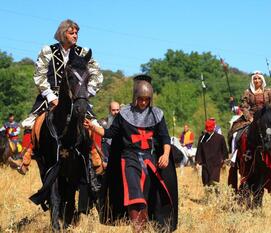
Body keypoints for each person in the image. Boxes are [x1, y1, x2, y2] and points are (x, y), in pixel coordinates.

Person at [84, 75, 178, 231]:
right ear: (135, 97)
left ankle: (148, 225)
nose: (143, 102)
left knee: (148, 196)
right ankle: (137, 228)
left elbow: (165, 138)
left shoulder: (157, 114)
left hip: (149, 159)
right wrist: (93, 127)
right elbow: (110, 133)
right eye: (141, 99)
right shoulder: (124, 114)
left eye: (146, 100)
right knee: (134, 193)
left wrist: (166, 154)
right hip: (129, 159)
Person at [13, 19, 103, 174]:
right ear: (63, 34)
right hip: (51, 94)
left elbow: (97, 75)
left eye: (77, 33)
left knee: (93, 122)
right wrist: (50, 96)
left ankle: (98, 156)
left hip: (77, 97)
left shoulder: (83, 52)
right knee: (32, 121)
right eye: (71, 32)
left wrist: (85, 94)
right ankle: (26, 156)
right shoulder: (48, 50)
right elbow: (39, 75)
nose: (75, 36)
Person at [228, 71, 271, 169]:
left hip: (267, 115)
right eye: (255, 78)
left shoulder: (268, 91)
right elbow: (244, 106)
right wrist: (249, 117)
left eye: (259, 78)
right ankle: (234, 155)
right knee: (236, 132)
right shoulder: (248, 92)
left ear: (262, 80)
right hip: (252, 116)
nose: (257, 80)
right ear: (252, 80)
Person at [195, 119, 228, 186]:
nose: (209, 131)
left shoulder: (220, 138)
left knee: (213, 183)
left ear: (213, 128)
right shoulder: (202, 138)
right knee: (206, 183)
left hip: (216, 164)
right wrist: (197, 162)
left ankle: (215, 196)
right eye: (208, 129)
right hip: (205, 164)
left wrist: (225, 160)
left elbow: (224, 150)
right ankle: (208, 196)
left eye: (210, 129)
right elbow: (199, 150)